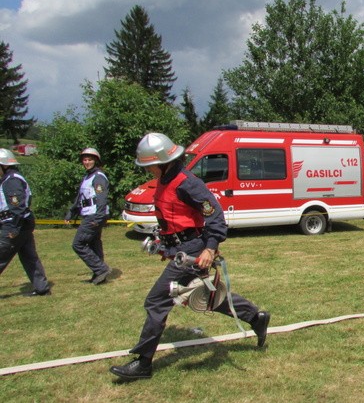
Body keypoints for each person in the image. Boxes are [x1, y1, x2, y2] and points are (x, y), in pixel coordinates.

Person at [110, 132, 270, 381]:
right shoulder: (165, 181)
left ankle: (143, 363)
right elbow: (174, 217)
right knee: (207, 296)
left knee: (156, 301)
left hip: (194, 251)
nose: (148, 170)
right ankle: (255, 317)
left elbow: (214, 214)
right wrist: (159, 238)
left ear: (163, 162)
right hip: (182, 250)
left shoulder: (187, 182)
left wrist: (210, 248)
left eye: (150, 166)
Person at [0, 148, 51, 296]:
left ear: (4, 165)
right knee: (29, 257)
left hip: (15, 224)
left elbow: (17, 207)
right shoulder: (10, 178)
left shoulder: (12, 180)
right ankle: (41, 288)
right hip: (21, 223)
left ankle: (42, 287)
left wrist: (14, 228)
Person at [65, 148, 112, 285]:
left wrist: (98, 219)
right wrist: (71, 211)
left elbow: (102, 199)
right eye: (85, 159)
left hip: (94, 215)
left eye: (90, 159)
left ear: (96, 160)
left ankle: (101, 269)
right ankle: (99, 275)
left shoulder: (98, 177)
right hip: (89, 214)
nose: (87, 162)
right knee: (93, 244)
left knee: (78, 244)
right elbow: (79, 198)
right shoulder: (87, 177)